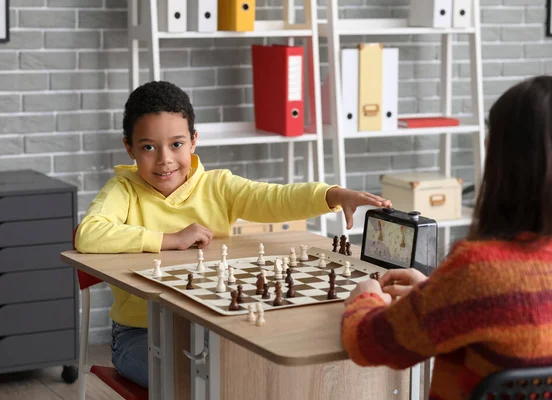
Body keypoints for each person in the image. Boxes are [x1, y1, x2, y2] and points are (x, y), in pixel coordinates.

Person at [74, 80, 392, 388]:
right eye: (148, 147)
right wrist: (170, 239)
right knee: (196, 380)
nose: (164, 160)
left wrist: (333, 195)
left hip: (214, 326)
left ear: (194, 140)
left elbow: (274, 198)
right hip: (141, 334)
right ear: (129, 147)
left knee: (245, 373)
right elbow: (89, 235)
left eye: (176, 144)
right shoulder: (123, 190)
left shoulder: (219, 186)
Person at [340, 75, 552, 400]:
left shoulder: (479, 271)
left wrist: (364, 297)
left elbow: (371, 344)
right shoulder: (475, 280)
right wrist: (435, 290)